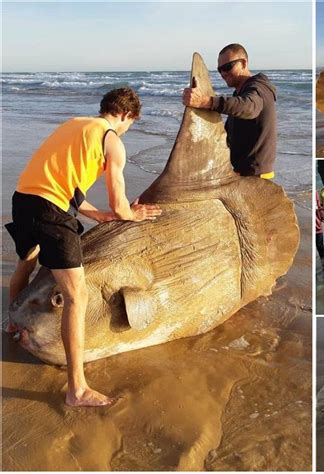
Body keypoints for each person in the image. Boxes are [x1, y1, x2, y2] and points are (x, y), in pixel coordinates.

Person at [5, 88, 162, 407]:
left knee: (28, 260)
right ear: (127, 116)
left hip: (23, 199)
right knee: (77, 296)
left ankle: (12, 322)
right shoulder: (112, 140)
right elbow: (120, 205)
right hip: (50, 210)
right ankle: (77, 389)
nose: (127, 130)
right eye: (130, 124)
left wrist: (98, 215)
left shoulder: (74, 125)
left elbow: (72, 191)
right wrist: (131, 214)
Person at [182, 43, 277, 178]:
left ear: (244, 63)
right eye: (220, 69)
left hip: (256, 177)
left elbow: (249, 107)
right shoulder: (239, 95)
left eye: (227, 67)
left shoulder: (258, 88)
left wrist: (206, 102)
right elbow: (229, 136)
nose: (223, 73)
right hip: (242, 172)